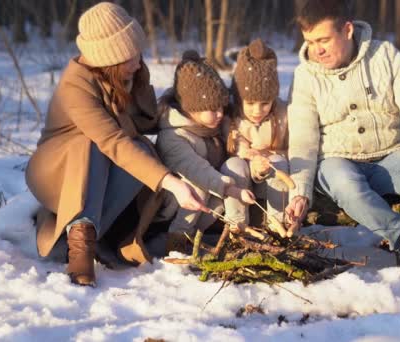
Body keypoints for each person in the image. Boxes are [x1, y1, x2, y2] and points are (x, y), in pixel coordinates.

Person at [26, 2, 207, 287]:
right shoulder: (76, 84)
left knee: (145, 151)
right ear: (108, 58)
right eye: (129, 57)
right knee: (90, 144)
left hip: (100, 171)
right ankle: (81, 250)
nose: (138, 61)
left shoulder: (125, 74)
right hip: (56, 172)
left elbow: (144, 126)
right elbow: (112, 141)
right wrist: (172, 183)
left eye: (138, 53)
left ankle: (83, 236)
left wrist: (147, 85)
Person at [285, 0, 400, 267]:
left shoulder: (384, 55)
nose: (317, 50)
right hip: (336, 161)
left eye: (323, 39)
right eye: (310, 42)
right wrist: (299, 191)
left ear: (347, 30)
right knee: (345, 184)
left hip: (389, 154)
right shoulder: (305, 75)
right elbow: (303, 139)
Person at [154, 50, 256, 254]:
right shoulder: (173, 136)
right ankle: (178, 240)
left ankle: (235, 231)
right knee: (196, 184)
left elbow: (235, 142)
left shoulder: (215, 126)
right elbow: (196, 169)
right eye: (212, 109)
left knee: (235, 166)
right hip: (177, 201)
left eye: (221, 107)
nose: (220, 113)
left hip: (212, 194)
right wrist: (230, 190)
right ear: (190, 108)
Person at [220, 38, 289, 232]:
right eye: (250, 103)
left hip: (273, 184)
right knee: (232, 165)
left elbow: (292, 149)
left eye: (264, 103)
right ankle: (237, 224)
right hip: (243, 183)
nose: (257, 110)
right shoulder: (232, 119)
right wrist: (251, 160)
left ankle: (278, 224)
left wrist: (266, 162)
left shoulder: (283, 115)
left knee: (278, 162)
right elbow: (235, 152)